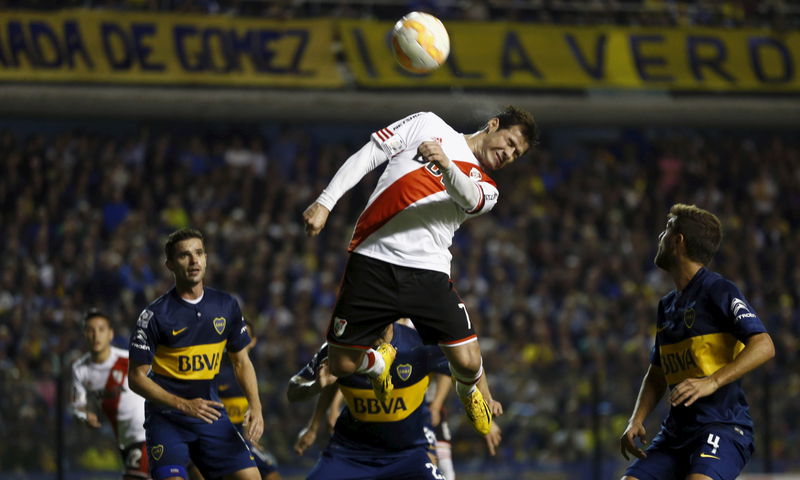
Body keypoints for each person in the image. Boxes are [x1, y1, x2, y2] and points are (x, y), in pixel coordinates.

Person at [302, 106, 538, 435]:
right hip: (372, 260)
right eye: (511, 142)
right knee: (341, 365)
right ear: (493, 125)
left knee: (469, 363)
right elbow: (371, 153)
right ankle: (377, 362)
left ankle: (466, 390)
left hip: (427, 273)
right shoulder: (427, 123)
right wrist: (326, 201)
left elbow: (468, 199)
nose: (510, 154)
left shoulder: (488, 188)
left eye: (517, 153)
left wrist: (446, 163)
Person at [619, 204, 775, 480]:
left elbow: (764, 344)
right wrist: (637, 419)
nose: (660, 236)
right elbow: (657, 373)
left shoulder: (718, 290)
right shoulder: (667, 305)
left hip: (723, 427)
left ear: (678, 241)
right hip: (675, 434)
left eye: (667, 229)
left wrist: (711, 381)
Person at [128, 228, 263, 480]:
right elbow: (135, 378)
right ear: (170, 264)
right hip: (167, 419)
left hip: (210, 415)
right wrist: (183, 404)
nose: (194, 261)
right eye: (184, 255)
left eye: (199, 253)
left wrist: (256, 406)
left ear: (206, 257)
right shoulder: (154, 315)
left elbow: (241, 361)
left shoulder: (226, 305)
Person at [288, 322, 455, 479]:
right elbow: (293, 391)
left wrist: (437, 403)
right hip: (349, 455)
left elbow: (451, 366)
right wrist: (316, 388)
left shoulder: (419, 343)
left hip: (407, 454)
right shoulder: (340, 348)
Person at [72, 308, 151, 480]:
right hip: (124, 440)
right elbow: (78, 406)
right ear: (84, 334)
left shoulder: (128, 360)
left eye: (101, 329)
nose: (96, 335)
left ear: (110, 334)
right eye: (90, 330)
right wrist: (85, 416)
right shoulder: (80, 370)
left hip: (146, 433)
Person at [215, 321, 281, 480]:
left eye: (245, 335)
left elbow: (249, 408)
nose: (240, 339)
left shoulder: (255, 369)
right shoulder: (217, 369)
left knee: (271, 472)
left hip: (241, 438)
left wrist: (250, 436)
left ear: (253, 341)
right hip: (218, 439)